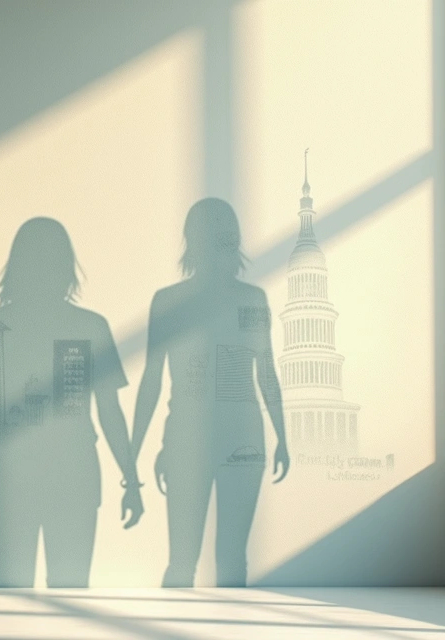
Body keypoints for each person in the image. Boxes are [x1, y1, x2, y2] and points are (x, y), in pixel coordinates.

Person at [0, 217, 143, 588]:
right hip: (71, 473)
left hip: (9, 476)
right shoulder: (91, 326)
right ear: (66, 266)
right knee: (70, 595)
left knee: (11, 598)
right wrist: (131, 479)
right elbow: (109, 412)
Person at [131, 198, 289, 587]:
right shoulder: (250, 300)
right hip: (237, 437)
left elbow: (153, 380)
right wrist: (282, 438)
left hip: (191, 438)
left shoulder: (170, 301)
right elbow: (264, 372)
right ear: (232, 239)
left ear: (190, 240)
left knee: (183, 561)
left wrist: (133, 452)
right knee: (231, 560)